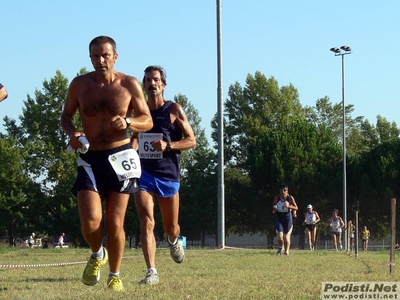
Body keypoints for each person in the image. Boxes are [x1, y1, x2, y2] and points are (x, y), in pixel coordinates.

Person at [60, 36, 153, 291]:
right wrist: (74, 133)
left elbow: (147, 120)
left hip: (120, 156)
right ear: (90, 58)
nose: (100, 61)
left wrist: (128, 123)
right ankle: (98, 254)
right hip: (90, 158)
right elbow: (66, 116)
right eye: (95, 56)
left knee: (114, 223)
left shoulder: (129, 84)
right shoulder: (80, 85)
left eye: (105, 55)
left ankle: (115, 273)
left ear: (115, 56)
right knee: (90, 223)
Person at [132, 65, 196, 285]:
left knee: (171, 226)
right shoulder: (140, 113)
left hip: (168, 175)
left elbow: (192, 140)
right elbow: (134, 138)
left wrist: (168, 146)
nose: (152, 83)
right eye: (148, 80)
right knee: (146, 220)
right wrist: (130, 150)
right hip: (144, 174)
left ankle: (173, 239)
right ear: (144, 84)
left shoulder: (174, 109)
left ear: (163, 84)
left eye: (156, 80)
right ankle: (152, 271)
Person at [272, 184, 298, 256]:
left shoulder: (290, 198)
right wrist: (274, 209)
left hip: (288, 218)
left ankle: (286, 251)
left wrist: (289, 206)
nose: (283, 192)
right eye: (281, 190)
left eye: (284, 190)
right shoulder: (277, 198)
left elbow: (296, 207)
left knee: (286, 237)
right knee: (280, 236)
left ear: (287, 191)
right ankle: (281, 247)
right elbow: (273, 209)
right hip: (279, 218)